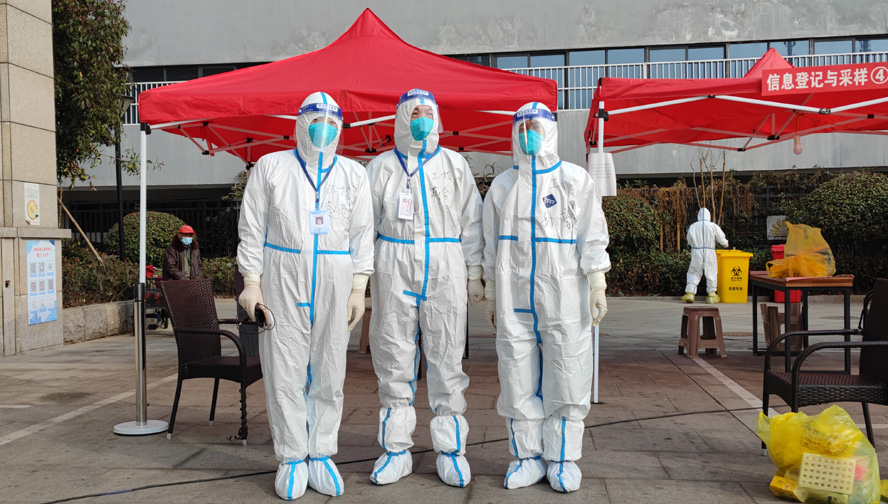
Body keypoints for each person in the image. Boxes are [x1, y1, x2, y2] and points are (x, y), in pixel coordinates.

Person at [237, 92, 374, 500]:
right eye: (317, 120)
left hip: (335, 278)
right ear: (300, 123)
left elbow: (362, 233)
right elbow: (251, 228)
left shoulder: (353, 173)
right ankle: (292, 455)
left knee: (330, 370)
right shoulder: (271, 167)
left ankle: (321, 453)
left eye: (332, 123)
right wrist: (251, 281)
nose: (324, 129)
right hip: (282, 276)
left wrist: (359, 287)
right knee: (284, 369)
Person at [482, 102, 610, 493]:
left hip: (565, 298)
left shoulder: (574, 180)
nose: (528, 136)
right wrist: (491, 293)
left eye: (535, 128)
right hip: (513, 299)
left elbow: (592, 234)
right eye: (522, 129)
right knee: (516, 377)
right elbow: (490, 247)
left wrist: (598, 282)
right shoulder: (503, 187)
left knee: (568, 375)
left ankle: (563, 459)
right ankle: (526, 457)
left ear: (550, 131)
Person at [366, 89, 484, 488]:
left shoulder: (453, 164)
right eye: (414, 112)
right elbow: (364, 226)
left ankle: (450, 450)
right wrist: (360, 278)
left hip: (444, 261)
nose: (421, 119)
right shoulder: (381, 167)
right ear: (401, 117)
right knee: (392, 353)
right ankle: (395, 450)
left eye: (427, 113)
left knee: (446, 355)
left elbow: (472, 220)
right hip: (393, 262)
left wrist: (474, 271)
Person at [682, 207, 729, 304]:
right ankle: (712, 295)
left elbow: (689, 240)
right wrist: (725, 243)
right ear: (709, 216)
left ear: (698, 216)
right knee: (711, 272)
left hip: (697, 252)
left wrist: (694, 245)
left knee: (694, 272)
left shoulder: (693, 226)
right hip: (709, 252)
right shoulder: (713, 226)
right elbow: (721, 237)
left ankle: (690, 293)